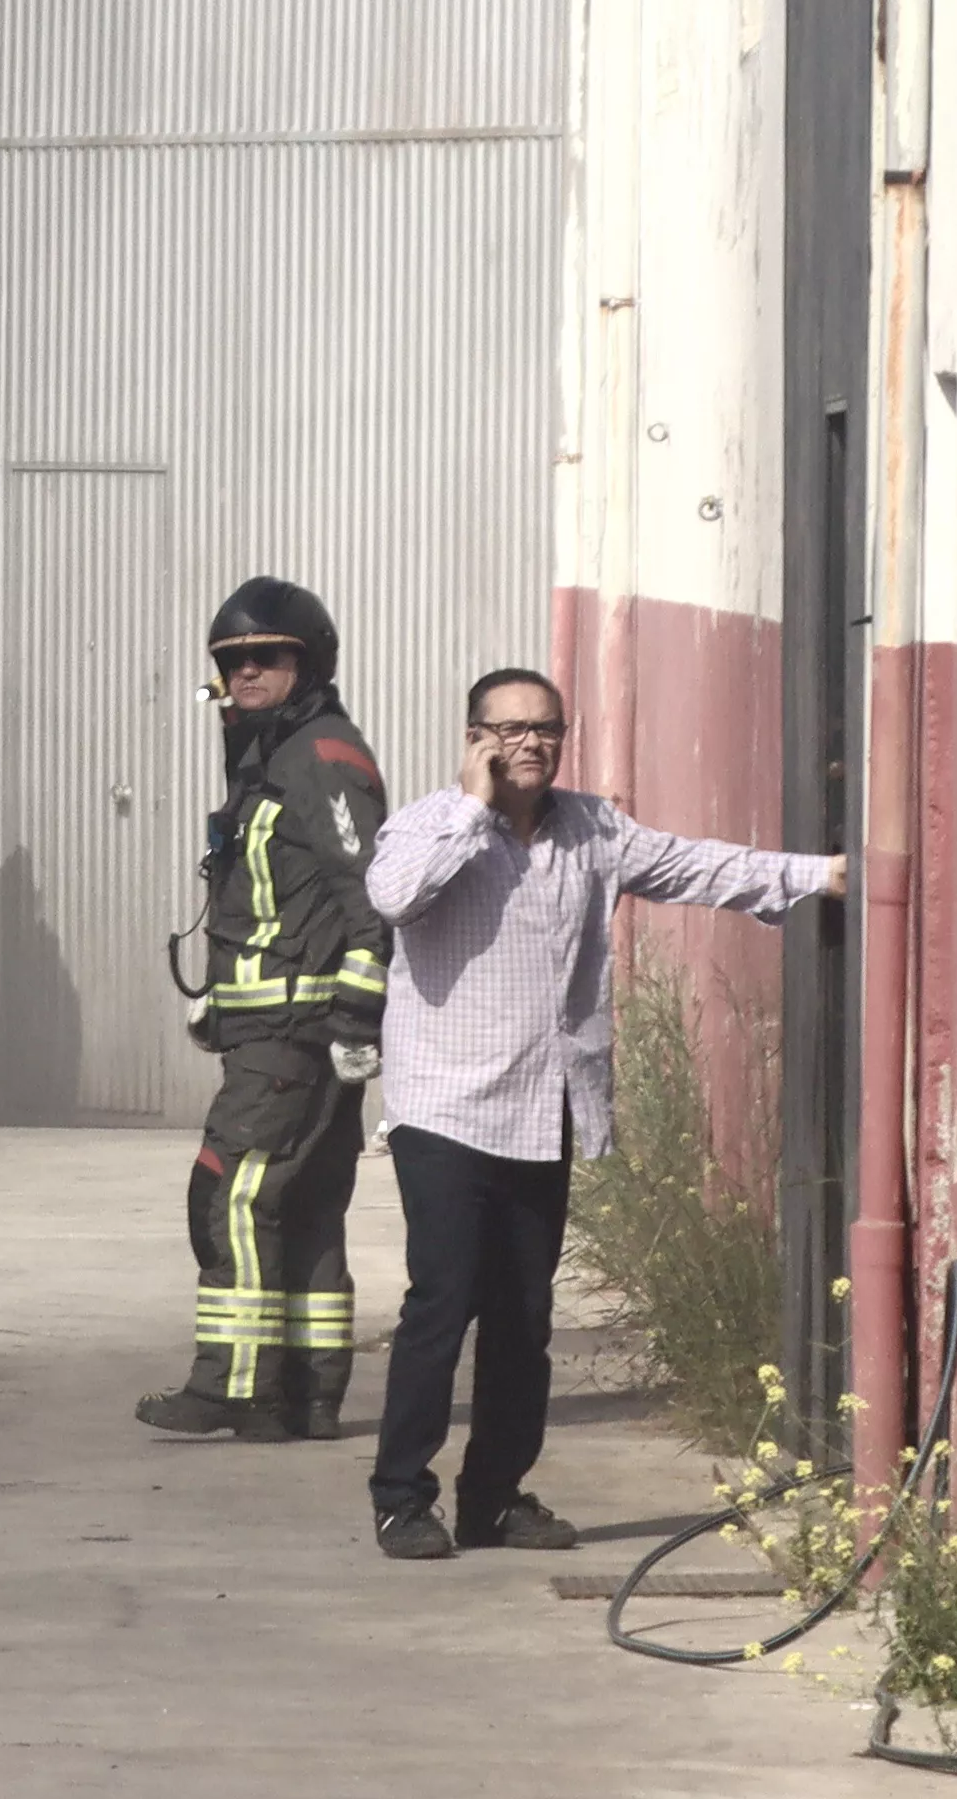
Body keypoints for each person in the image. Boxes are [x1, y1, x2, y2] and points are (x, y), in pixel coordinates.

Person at [358, 665, 841, 1561]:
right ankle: (400, 1496)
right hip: (445, 1110)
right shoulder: (427, 822)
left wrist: (824, 875)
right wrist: (472, 806)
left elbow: (699, 864)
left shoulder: (592, 830)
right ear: (475, 740)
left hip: (544, 1109)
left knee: (523, 1319)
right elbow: (394, 897)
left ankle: (493, 1499)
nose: (530, 743)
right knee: (443, 1301)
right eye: (509, 729)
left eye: (546, 728)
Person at [139, 576, 390, 1439]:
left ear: (306, 662)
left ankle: (235, 1387)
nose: (245, 674)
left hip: (296, 1034)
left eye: (264, 659)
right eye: (232, 662)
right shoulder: (270, 756)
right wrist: (222, 997)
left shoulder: (321, 758)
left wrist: (356, 1017)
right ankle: (307, 1398)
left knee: (233, 1199)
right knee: (307, 1205)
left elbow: (371, 895)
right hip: (270, 1026)